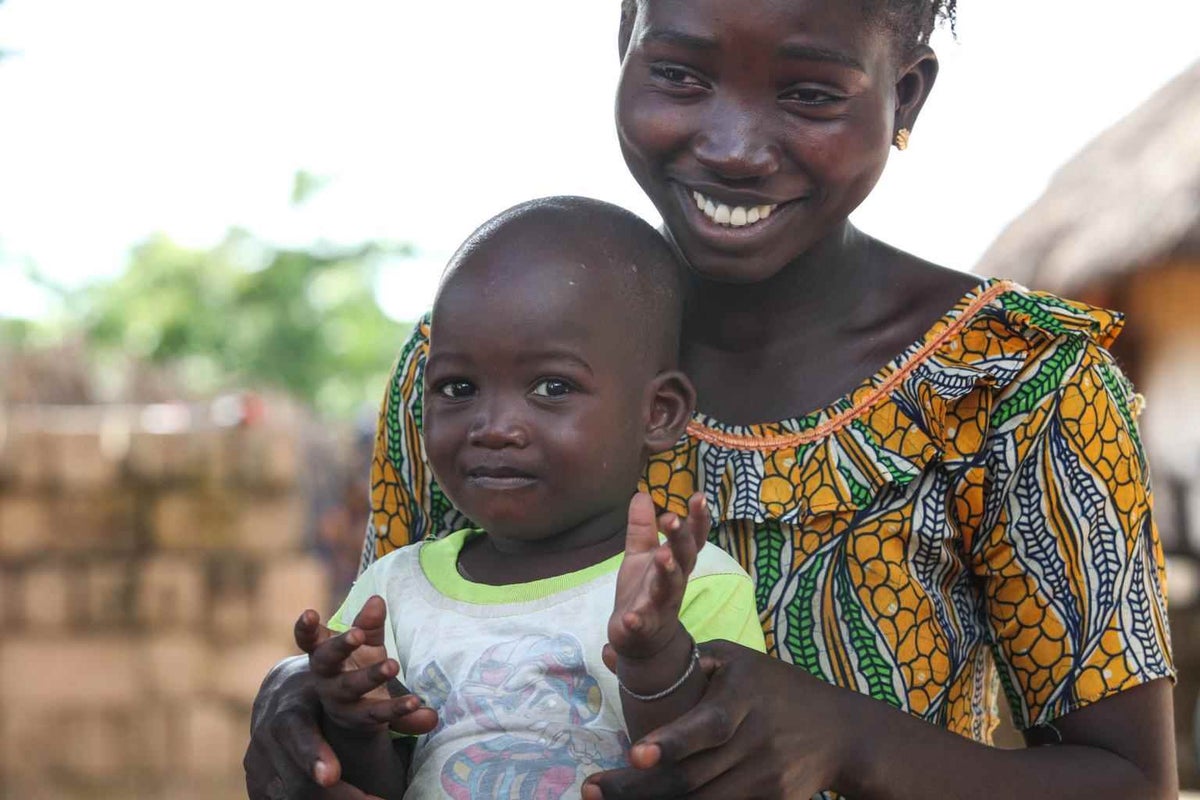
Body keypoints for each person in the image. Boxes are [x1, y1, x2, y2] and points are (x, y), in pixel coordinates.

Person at [246, 1, 1178, 797]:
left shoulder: (1014, 387)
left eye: (809, 92)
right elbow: (399, 661)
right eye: (681, 76)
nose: (732, 147)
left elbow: (1132, 785)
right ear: (625, 39)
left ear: (907, 92)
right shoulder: (466, 374)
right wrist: (310, 699)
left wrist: (850, 741)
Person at [290, 197, 764, 799]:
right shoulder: (394, 591)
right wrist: (352, 725)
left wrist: (655, 657)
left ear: (657, 412)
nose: (493, 426)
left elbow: (707, 774)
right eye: (458, 387)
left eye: (551, 387)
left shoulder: (691, 588)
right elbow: (378, 785)